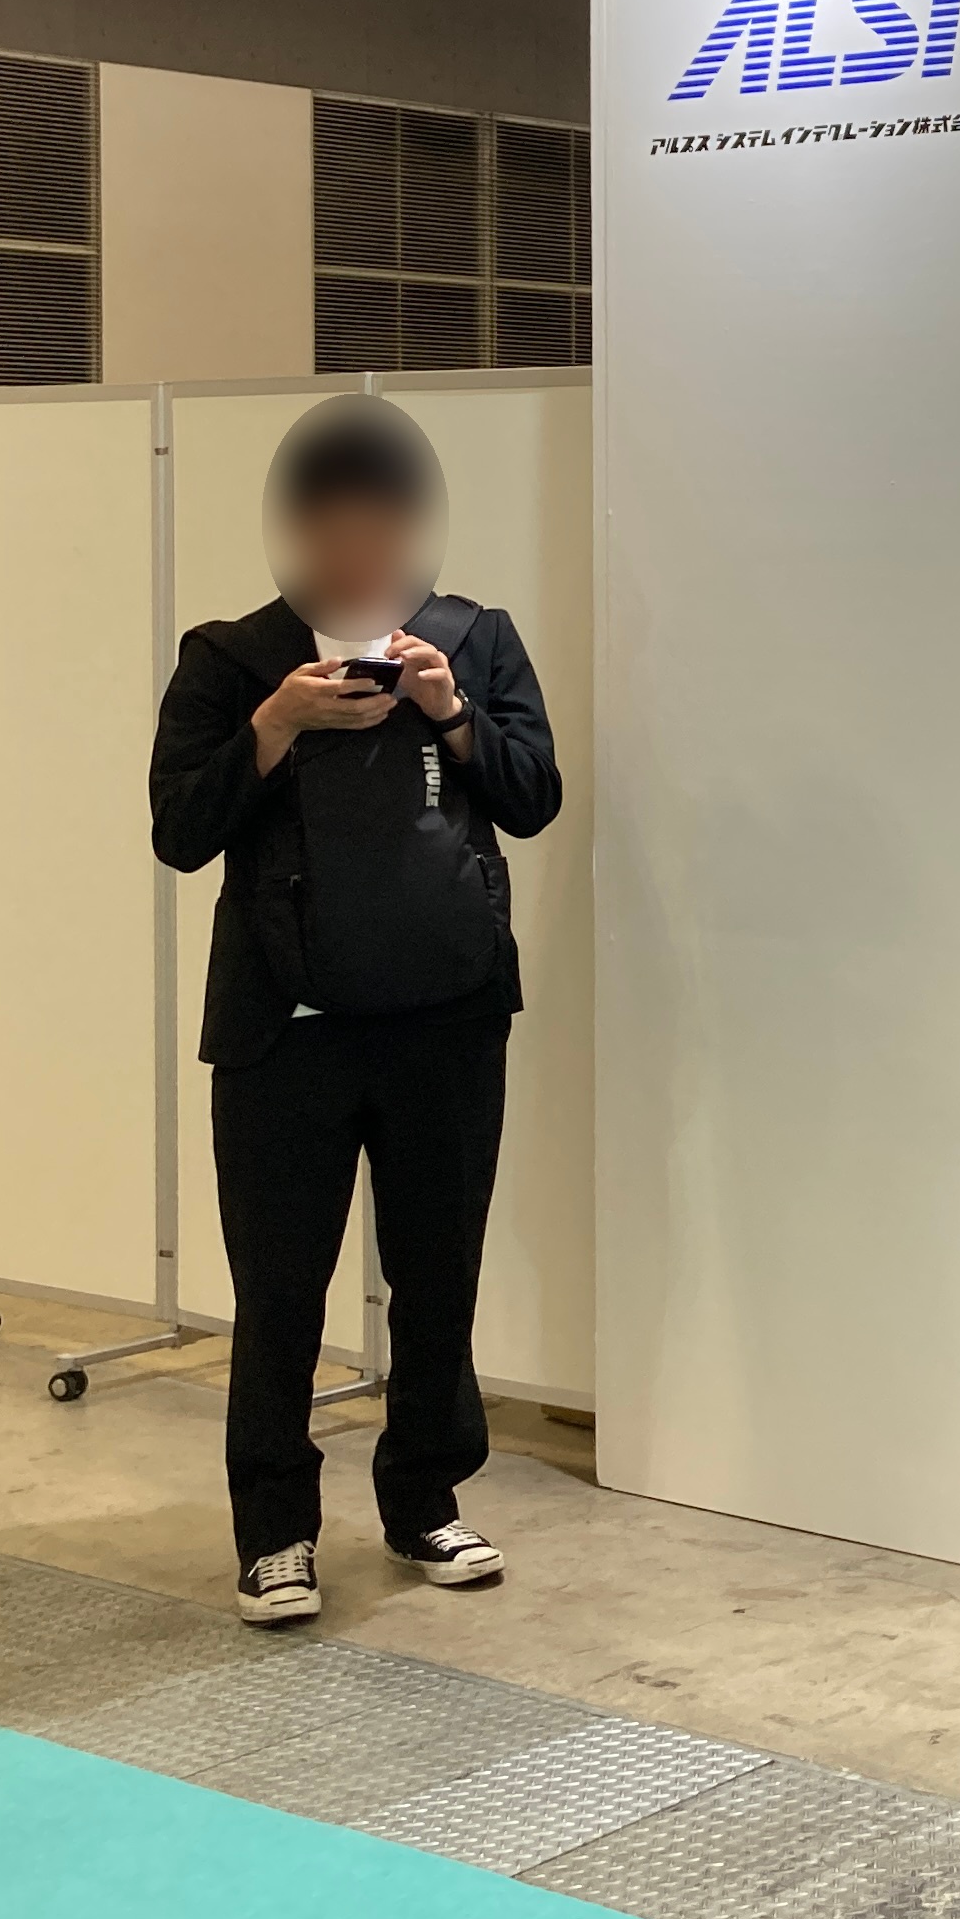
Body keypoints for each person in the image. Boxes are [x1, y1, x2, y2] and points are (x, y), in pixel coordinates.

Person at [148, 397, 563, 1628]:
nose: (357, 552)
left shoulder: (473, 638)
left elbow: (535, 797)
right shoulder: (232, 658)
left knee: (439, 1278)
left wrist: (451, 711)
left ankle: (425, 1497)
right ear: (295, 536)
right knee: (281, 1292)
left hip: (449, 1019)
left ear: (412, 533)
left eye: (379, 529)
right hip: (286, 1031)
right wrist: (276, 723)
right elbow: (179, 831)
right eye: (332, 530)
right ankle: (276, 1532)